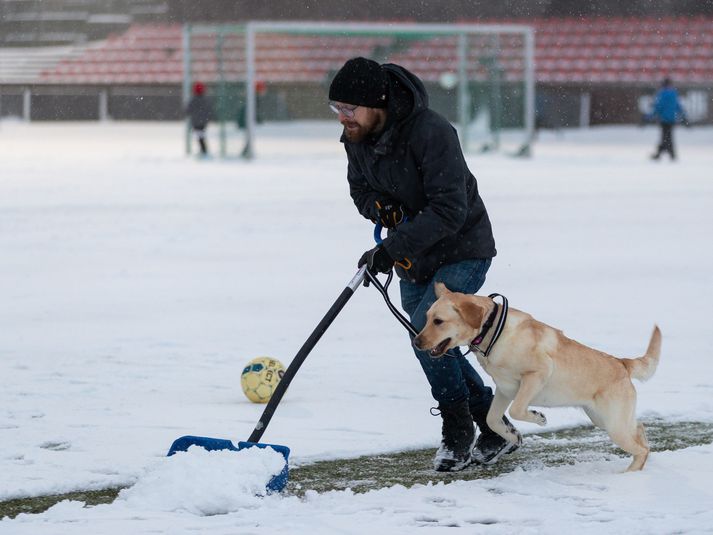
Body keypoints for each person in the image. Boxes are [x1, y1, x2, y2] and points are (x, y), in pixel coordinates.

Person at [329, 57, 519, 472]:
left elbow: (450, 209)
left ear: (376, 102)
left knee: (427, 334)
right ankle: (493, 423)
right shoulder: (355, 137)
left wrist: (393, 246)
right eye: (337, 109)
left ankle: (459, 431)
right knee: (431, 339)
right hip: (414, 257)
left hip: (462, 247)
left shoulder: (432, 132)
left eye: (349, 108)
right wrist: (382, 210)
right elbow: (359, 189)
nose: (343, 118)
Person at [648, 77, 688, 160]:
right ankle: (669, 153)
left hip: (663, 119)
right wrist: (683, 116)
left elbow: (659, 107)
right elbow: (678, 106)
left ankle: (663, 154)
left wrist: (650, 116)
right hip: (672, 119)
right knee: (668, 136)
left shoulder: (662, 93)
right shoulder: (674, 94)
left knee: (665, 136)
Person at [186, 82, 213, 156]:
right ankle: (203, 150)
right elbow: (209, 110)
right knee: (201, 136)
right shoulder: (206, 99)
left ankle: (204, 151)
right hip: (204, 122)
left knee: (200, 136)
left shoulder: (193, 99)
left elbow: (188, 110)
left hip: (196, 122)